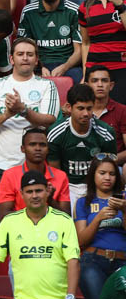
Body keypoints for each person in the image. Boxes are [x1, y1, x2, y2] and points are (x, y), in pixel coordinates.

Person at [0, 170, 80, 299]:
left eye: (39, 190)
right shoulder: (9, 222)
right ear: (21, 193)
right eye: (29, 191)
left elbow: (73, 261)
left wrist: (69, 298)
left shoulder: (64, 220)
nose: (35, 195)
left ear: (47, 191)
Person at [0, 37, 60, 196]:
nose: (25, 58)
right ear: (11, 59)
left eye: (30, 54)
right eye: (20, 54)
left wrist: (23, 110)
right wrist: (7, 114)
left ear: (36, 60)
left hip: (32, 167)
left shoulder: (47, 85)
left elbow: (48, 120)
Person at [48, 84, 118, 215]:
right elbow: (56, 173)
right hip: (67, 185)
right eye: (80, 108)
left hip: (96, 186)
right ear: (69, 107)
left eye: (89, 108)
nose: (86, 113)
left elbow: (109, 168)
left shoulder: (106, 132)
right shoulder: (55, 133)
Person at [74, 155, 126, 299]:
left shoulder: (124, 199)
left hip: (123, 261)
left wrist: (124, 209)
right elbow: (81, 241)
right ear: (93, 175)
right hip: (93, 261)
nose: (107, 177)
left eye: (112, 174)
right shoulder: (83, 202)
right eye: (102, 173)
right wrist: (98, 219)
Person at [18, 0, 82, 82]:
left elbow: (79, 50)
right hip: (38, 66)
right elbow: (24, 48)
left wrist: (64, 67)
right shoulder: (28, 12)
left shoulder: (73, 11)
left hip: (69, 65)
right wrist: (39, 67)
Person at [0, 126, 72, 219]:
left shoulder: (61, 176)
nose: (38, 148)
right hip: (20, 229)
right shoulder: (10, 175)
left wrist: (50, 200)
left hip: (52, 229)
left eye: (42, 145)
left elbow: (67, 218)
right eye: (32, 144)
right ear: (22, 149)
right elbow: (4, 215)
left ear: (48, 149)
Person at [80, 0, 126, 102]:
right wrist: (86, 74)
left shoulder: (124, 0)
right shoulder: (84, 7)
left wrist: (120, 4)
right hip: (96, 70)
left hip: (121, 66)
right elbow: (86, 43)